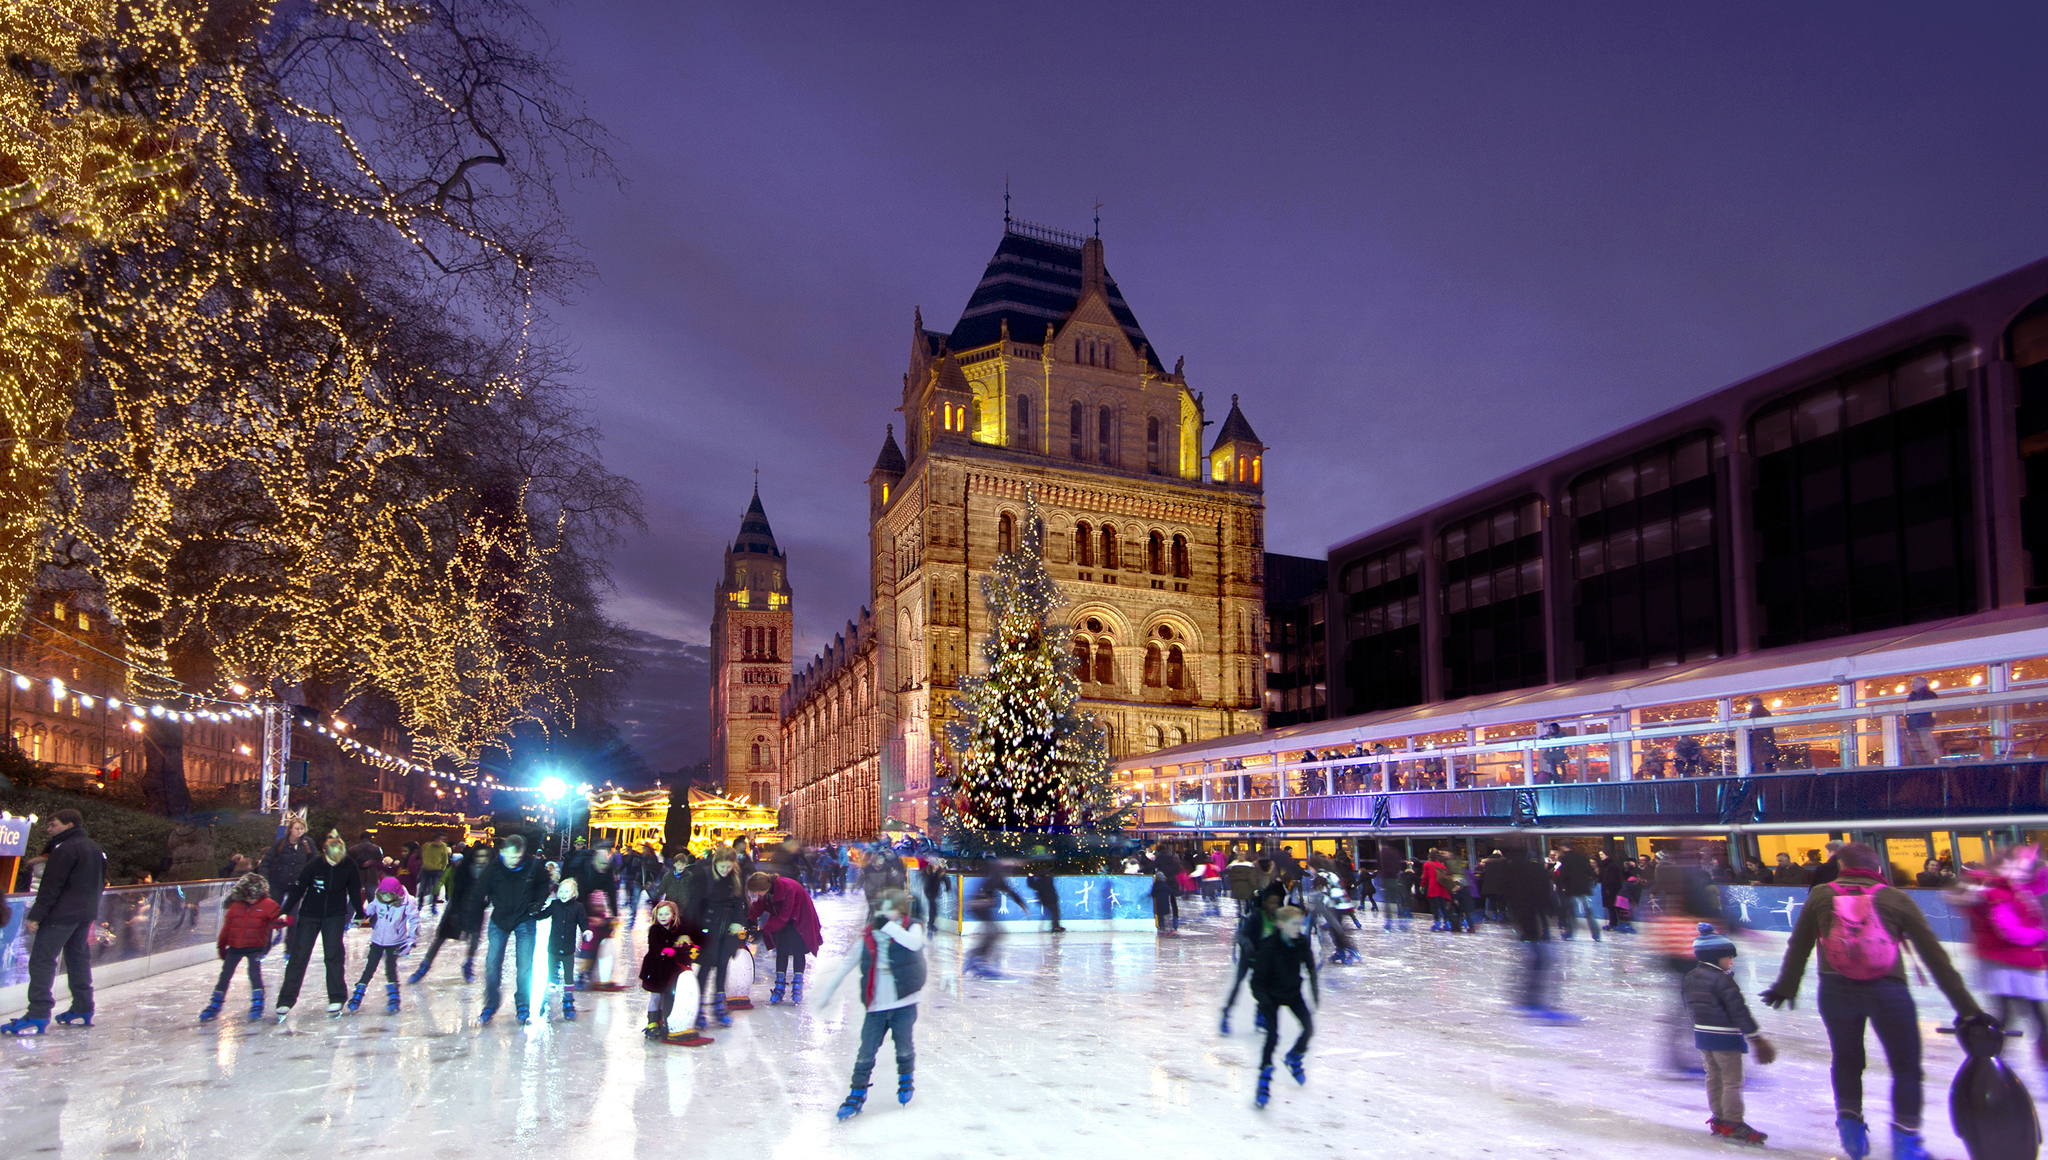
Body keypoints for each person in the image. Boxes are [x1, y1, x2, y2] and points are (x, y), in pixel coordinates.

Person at [1761, 842, 1982, 1160]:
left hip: (1835, 991)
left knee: (1847, 1061)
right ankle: (1906, 1145)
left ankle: (1852, 1136)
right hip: (1888, 992)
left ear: (1841, 866)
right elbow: (1935, 958)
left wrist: (1786, 986)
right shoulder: (1896, 898)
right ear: (1878, 868)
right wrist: (1968, 1009)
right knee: (1905, 1068)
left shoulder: (1822, 894)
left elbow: (1799, 944)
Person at [819, 888, 928, 1120]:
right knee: (865, 1052)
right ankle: (856, 1094)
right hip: (876, 1005)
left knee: (904, 1046)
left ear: (900, 910)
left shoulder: (912, 926)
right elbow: (848, 962)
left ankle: (906, 1080)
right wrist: (829, 989)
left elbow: (914, 944)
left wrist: (888, 927)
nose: (883, 913)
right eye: (880, 908)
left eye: (889, 909)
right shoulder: (869, 933)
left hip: (904, 1003)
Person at [1, 811, 107, 1035]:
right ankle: (83, 1006)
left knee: (42, 960)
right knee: (77, 959)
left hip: (61, 915)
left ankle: (38, 1013)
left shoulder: (64, 849)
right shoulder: (95, 848)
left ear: (69, 824)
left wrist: (36, 916)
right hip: (84, 914)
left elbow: (51, 886)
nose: (48, 829)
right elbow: (100, 882)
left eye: (53, 825)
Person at [1947, 844, 2048, 1064]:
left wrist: (2038, 865)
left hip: (2016, 962)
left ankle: (1994, 1056)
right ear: (2001, 866)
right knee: (2013, 1015)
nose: (2022, 872)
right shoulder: (1997, 893)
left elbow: (2040, 883)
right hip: (2006, 964)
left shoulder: (2012, 887)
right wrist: (2041, 935)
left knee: (2028, 1014)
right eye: (2016, 866)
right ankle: (1991, 1057)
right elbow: (2009, 930)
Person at [1683, 923, 1776, 1144]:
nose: (1732, 960)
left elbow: (1688, 1006)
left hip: (1703, 1036)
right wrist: (1756, 1037)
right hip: (1725, 1037)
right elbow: (1739, 1011)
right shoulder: (1723, 980)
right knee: (1732, 1081)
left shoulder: (1690, 976)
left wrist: (1699, 1026)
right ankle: (1734, 1123)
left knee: (1713, 1077)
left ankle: (1719, 1119)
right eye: (1728, 957)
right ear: (1716, 957)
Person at [274, 833, 365, 1023]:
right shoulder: (314, 865)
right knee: (298, 955)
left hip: (335, 915)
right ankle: (286, 1000)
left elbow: (354, 890)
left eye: (337, 860)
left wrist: (359, 912)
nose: (334, 863)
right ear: (325, 854)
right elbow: (298, 889)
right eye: (331, 860)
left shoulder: (349, 865)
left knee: (333, 955)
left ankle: (337, 997)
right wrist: (285, 910)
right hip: (309, 914)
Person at [1248, 905, 1319, 1109]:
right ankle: (1264, 1079)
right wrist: (1264, 1002)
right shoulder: (1268, 947)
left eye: (1300, 923)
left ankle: (1294, 1057)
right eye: (1294, 924)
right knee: (1272, 1037)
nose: (1299, 928)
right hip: (1271, 996)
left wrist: (1315, 994)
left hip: (1292, 992)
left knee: (1309, 1028)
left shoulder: (1301, 943)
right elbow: (1256, 982)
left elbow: (1311, 968)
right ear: (1280, 925)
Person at [478, 835, 550, 1025]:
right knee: (492, 963)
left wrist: (537, 904)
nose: (513, 861)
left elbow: (545, 883)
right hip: (499, 920)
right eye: (510, 857)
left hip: (524, 918)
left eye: (517, 858)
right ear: (502, 852)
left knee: (525, 964)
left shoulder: (532, 865)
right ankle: (490, 1004)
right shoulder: (493, 868)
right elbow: (478, 892)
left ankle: (523, 1005)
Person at [202, 872, 289, 1022]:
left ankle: (257, 1003)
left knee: (254, 974)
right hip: (235, 947)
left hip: (255, 946)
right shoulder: (235, 907)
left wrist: (283, 921)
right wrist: (222, 945)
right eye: (248, 896)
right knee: (225, 975)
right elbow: (227, 927)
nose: (251, 899)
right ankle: (215, 1003)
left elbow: (277, 917)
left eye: (254, 896)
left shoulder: (268, 904)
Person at [682, 844, 748, 1030]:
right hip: (707, 926)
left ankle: (719, 1005)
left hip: (727, 927)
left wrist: (738, 922)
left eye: (729, 867)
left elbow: (739, 901)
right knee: (705, 967)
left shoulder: (735, 875)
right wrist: (688, 931)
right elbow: (692, 905)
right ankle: (698, 1005)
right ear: (715, 863)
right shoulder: (702, 875)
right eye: (722, 867)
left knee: (722, 965)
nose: (725, 870)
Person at [410, 846, 488, 983]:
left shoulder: (490, 871)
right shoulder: (465, 870)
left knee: (474, 938)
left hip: (476, 910)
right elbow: (456, 891)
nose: (481, 859)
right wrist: (454, 912)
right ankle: (424, 966)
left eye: (484, 856)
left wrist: (487, 901)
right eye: (478, 856)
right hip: (457, 907)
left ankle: (468, 965)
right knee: (441, 936)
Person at [747, 870, 823, 1004]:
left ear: (764, 887)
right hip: (784, 919)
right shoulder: (767, 890)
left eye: (757, 892)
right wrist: (749, 920)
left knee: (798, 951)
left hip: (801, 917)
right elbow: (759, 906)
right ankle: (779, 985)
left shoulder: (786, 888)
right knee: (782, 950)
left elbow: (784, 916)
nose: (757, 895)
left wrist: (763, 931)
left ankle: (797, 985)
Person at [348, 877, 419, 1015]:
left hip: (395, 941)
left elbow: (414, 919)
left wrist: (411, 939)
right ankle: (358, 993)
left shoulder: (407, 902)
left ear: (396, 893)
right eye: (383, 895)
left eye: (389, 895)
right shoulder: (379, 900)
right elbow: (371, 908)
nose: (385, 898)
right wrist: (360, 918)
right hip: (377, 939)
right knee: (369, 967)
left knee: (390, 968)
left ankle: (394, 997)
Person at [640, 898, 700, 1042]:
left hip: (669, 969)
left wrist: (689, 945)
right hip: (655, 968)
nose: (663, 917)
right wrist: (664, 950)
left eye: (666, 914)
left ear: (673, 915)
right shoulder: (654, 929)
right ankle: (652, 1022)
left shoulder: (677, 929)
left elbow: (685, 939)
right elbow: (653, 946)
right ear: (656, 915)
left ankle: (663, 1020)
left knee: (666, 995)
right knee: (655, 996)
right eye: (660, 914)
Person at [962, 860, 1026, 978]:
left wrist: (1022, 904)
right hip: (980, 907)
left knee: (994, 932)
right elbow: (1009, 891)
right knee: (994, 932)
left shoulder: (997, 877)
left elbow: (1010, 892)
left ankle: (976, 957)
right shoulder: (996, 877)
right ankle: (977, 958)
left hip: (981, 907)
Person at [538, 879, 588, 1022]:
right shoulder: (554, 905)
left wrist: (587, 931)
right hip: (553, 948)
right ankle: (545, 999)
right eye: (561, 891)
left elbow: (583, 921)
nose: (563, 894)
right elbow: (543, 914)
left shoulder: (578, 907)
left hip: (567, 949)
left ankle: (568, 1002)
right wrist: (533, 913)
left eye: (567, 891)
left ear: (574, 893)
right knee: (550, 974)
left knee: (568, 976)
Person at [258, 818, 316, 903]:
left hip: (296, 884)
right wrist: (265, 880)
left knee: (292, 913)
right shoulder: (280, 843)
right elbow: (265, 862)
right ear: (290, 829)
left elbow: (314, 863)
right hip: (277, 883)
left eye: (302, 829)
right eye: (297, 828)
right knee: (274, 911)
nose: (299, 831)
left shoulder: (308, 843)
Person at [1556, 845, 1601, 941]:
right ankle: (1596, 933)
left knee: (1571, 912)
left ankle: (1569, 932)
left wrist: (1560, 885)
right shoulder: (1582, 858)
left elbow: (1563, 874)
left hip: (1572, 889)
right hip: (1583, 888)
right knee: (1588, 912)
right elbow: (1591, 872)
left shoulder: (1565, 859)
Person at [1902, 676, 1941, 766]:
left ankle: (1935, 760)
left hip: (1923, 725)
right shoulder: (1913, 696)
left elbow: (1931, 710)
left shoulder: (1928, 695)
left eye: (1915, 682)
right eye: (1912, 682)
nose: (1912, 685)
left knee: (1927, 743)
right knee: (1919, 745)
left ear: (1923, 683)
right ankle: (1926, 761)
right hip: (1914, 726)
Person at [1026, 864, 1064, 932]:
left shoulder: (1040, 882)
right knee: (1055, 912)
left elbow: (1031, 884)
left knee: (1054, 913)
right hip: (1051, 899)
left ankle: (1055, 926)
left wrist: (1030, 876)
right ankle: (1055, 926)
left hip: (1046, 899)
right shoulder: (1048, 879)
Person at [419, 835, 451, 912]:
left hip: (437, 870)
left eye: (442, 839)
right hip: (426, 869)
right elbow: (422, 854)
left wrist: (442, 868)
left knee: (436, 888)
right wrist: (424, 863)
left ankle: (433, 905)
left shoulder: (443, 846)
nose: (440, 841)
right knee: (423, 887)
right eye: (439, 838)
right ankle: (420, 904)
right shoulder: (427, 846)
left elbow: (444, 859)